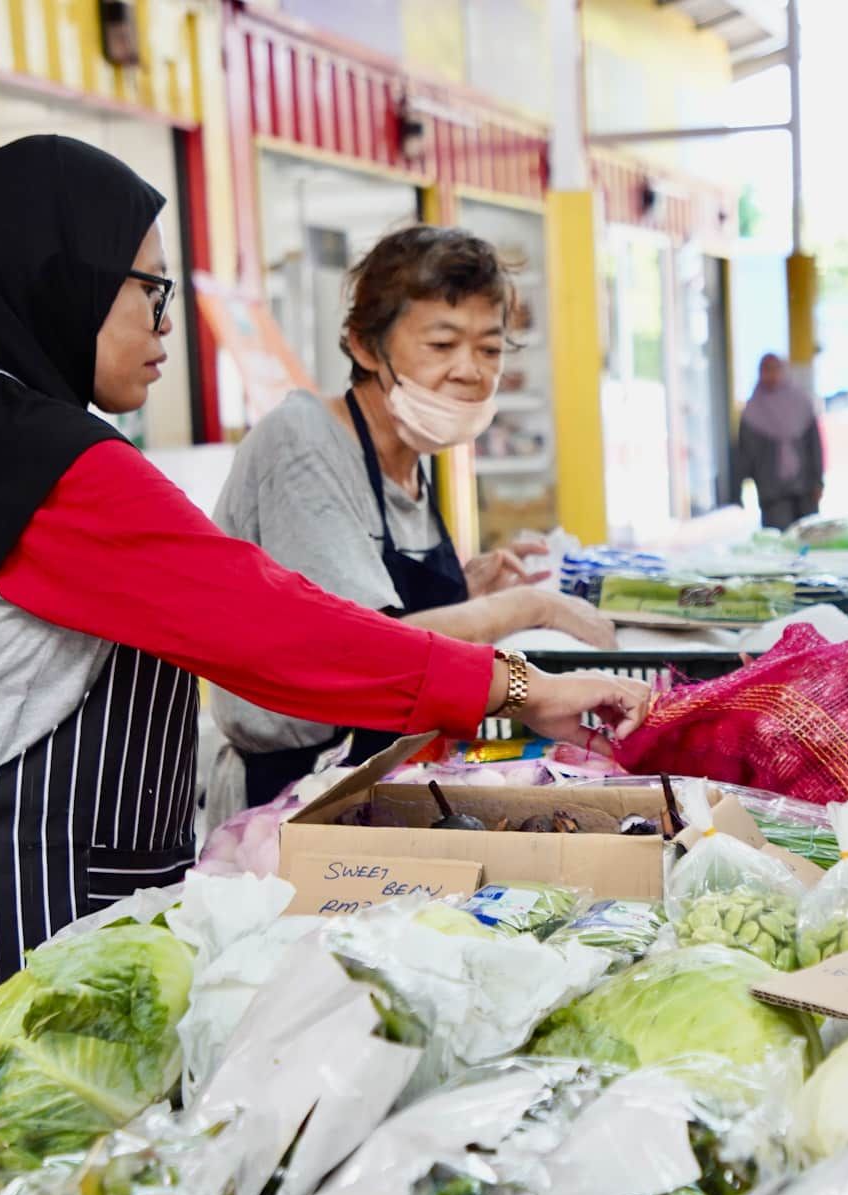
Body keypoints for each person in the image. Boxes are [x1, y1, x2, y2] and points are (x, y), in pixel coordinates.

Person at [0, 137, 648, 1192]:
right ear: (53, 278)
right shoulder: (50, 464)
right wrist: (524, 686)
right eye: (146, 288)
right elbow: (279, 628)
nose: (166, 324)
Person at [207, 225, 616, 814]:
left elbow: (375, 605)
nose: (471, 370)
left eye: (490, 348)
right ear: (366, 346)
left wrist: (471, 590)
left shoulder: (408, 458)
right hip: (296, 800)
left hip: (386, 777)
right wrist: (531, 608)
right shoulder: (303, 444)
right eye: (442, 344)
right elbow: (370, 650)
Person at [732, 353, 824, 529]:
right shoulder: (752, 412)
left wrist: (818, 481)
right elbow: (743, 456)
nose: (772, 375)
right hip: (772, 494)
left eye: (776, 369)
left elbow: (815, 446)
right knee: (779, 544)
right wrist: (736, 494)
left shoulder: (802, 403)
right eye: (766, 370)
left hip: (805, 490)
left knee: (809, 539)